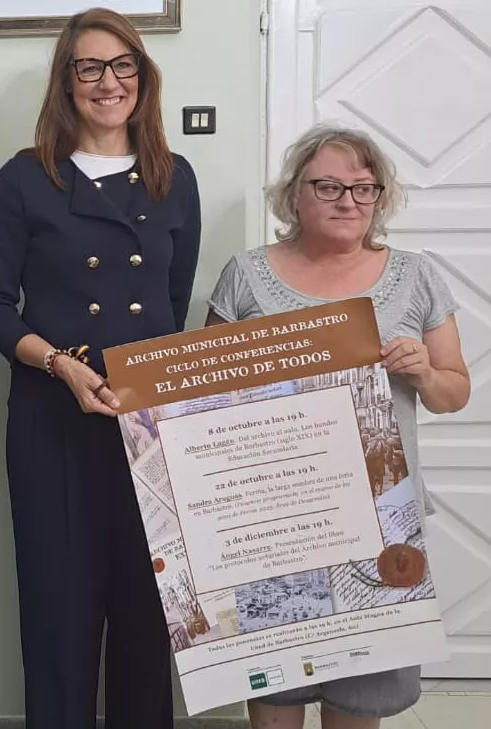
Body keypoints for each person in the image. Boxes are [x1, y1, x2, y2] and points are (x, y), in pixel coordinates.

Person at [0, 7, 201, 728]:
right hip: (52, 420)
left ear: (143, 75)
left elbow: (170, 300)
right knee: (58, 609)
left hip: (146, 424)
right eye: (90, 68)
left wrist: (142, 383)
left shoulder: (175, 177)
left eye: (123, 64)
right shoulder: (26, 178)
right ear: (66, 84)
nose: (109, 82)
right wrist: (64, 365)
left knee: (144, 603)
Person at [206, 125, 470, 729]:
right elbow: (205, 393)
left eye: (363, 187)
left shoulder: (416, 275)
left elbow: (454, 392)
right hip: (271, 516)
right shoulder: (245, 275)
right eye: (327, 186)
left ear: (380, 198)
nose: (347, 200)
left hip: (381, 516)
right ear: (294, 195)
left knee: (362, 693)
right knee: (275, 684)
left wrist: (426, 372)